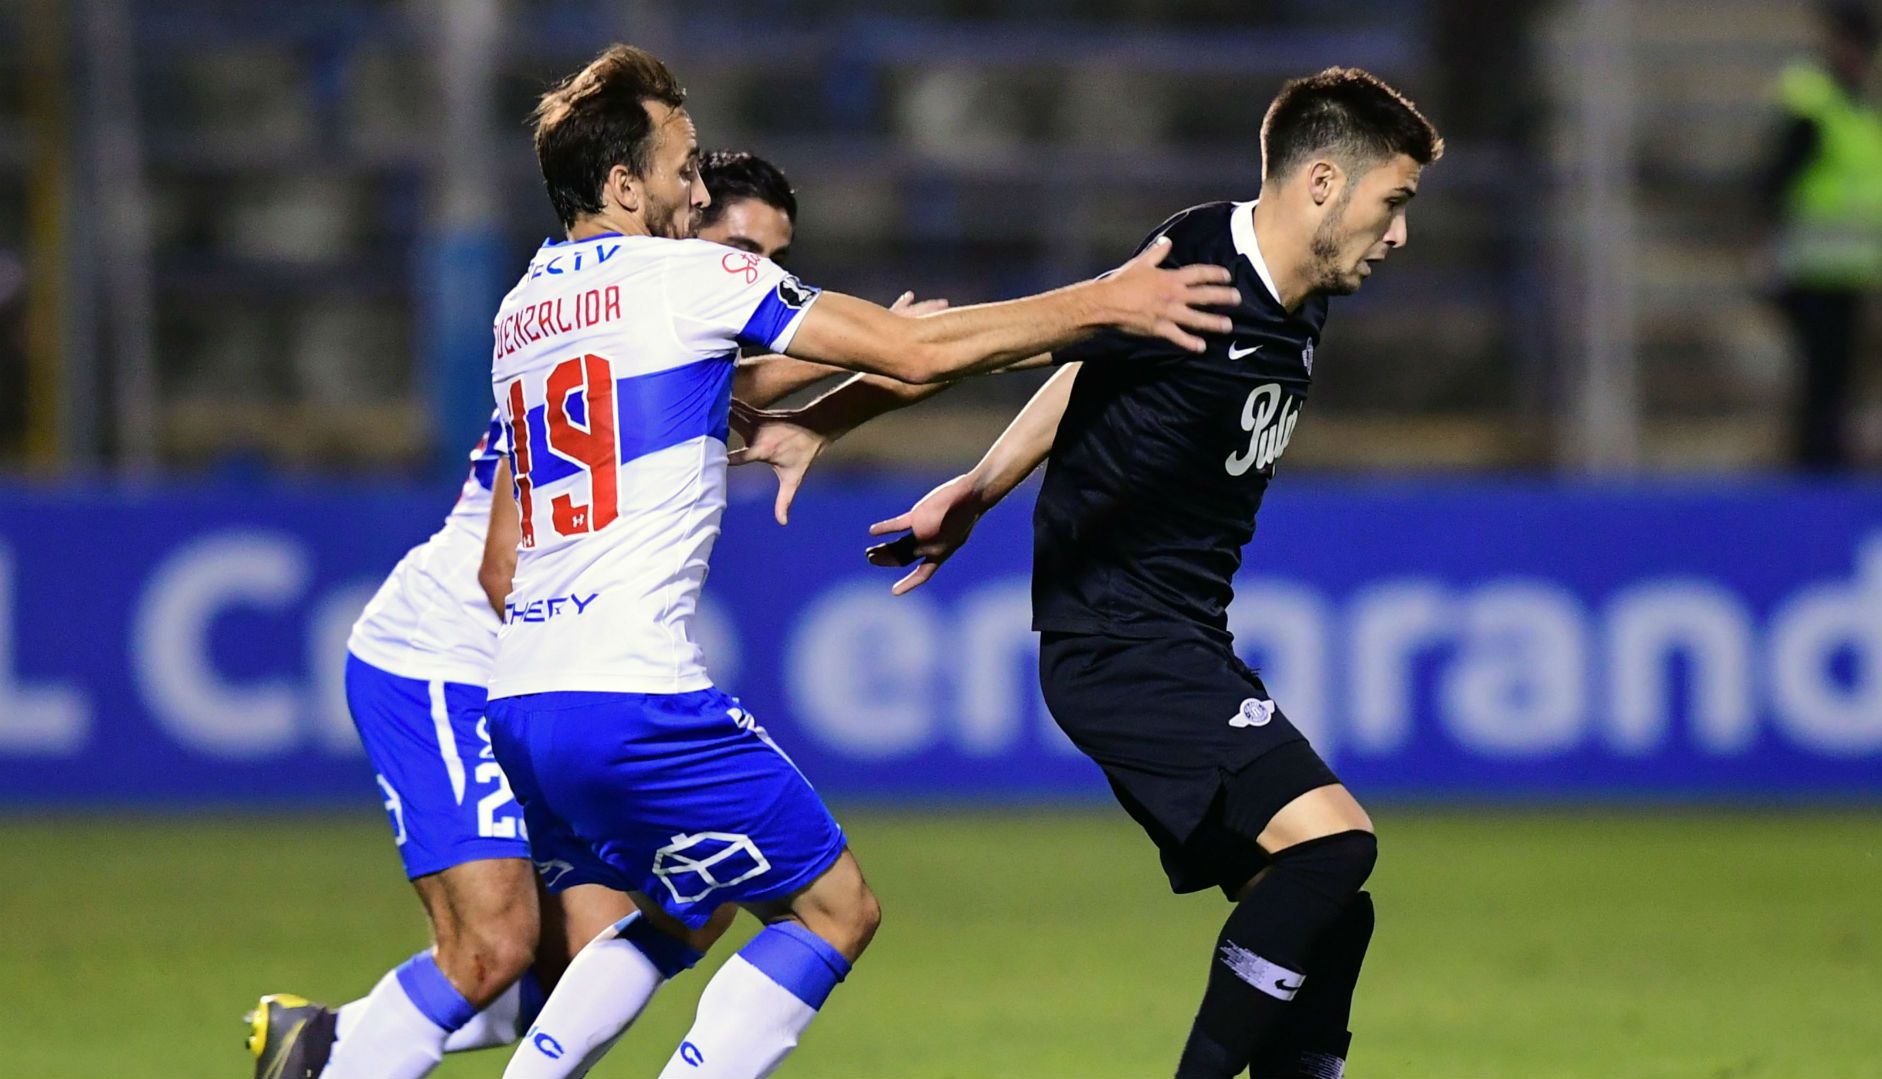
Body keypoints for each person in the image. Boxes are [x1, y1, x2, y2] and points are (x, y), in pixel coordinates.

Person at [480, 42, 1235, 1079]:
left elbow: (722, 395)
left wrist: (827, 409)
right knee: (838, 907)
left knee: (686, 903)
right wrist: (1104, 305)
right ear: (622, 185)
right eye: (683, 166)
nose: (700, 189)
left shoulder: (519, 311)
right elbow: (916, 351)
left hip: (522, 698)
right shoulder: (692, 276)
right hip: (630, 694)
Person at [735, 67, 1440, 1078]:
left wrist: (978, 487)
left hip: (1182, 638)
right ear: (1324, 182)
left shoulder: (1303, 293)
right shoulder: (1202, 261)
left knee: (1329, 908)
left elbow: (1086, 368)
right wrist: (822, 422)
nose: (1401, 234)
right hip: (1119, 641)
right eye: (1394, 203)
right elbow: (1020, 341)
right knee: (1334, 846)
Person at [244, 148, 872, 1079]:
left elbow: (757, 397)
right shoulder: (603, 339)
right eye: (742, 247)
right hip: (448, 657)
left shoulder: (652, 355)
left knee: (644, 924)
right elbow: (506, 570)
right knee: (494, 943)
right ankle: (339, 1057)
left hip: (524, 677)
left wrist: (876, 380)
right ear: (678, 226)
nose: (761, 280)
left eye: (776, 261)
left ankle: (339, 1036)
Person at [1762, 2, 1882, 469]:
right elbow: (1776, 179)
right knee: (1821, 380)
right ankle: (1817, 468)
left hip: (1862, 268)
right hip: (1814, 266)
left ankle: (1836, 463)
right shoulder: (1815, 100)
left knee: (1847, 380)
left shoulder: (1872, 108)